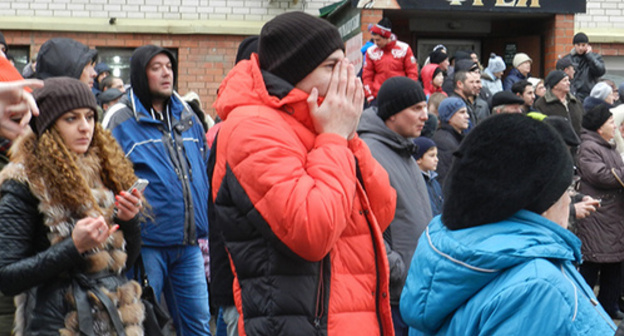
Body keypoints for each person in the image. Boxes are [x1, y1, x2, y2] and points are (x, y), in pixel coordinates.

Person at [211, 11, 396, 335]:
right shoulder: (252, 128)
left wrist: (348, 137)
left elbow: (380, 212)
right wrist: (336, 139)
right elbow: (312, 230)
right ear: (294, 71)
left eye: (345, 63)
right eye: (330, 66)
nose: (346, 76)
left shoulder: (321, 123)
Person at [400, 113, 616, 336]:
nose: (570, 199)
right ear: (543, 202)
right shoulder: (536, 287)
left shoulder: (444, 247)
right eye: (565, 190)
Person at [0, 77, 145, 335]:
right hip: (56, 324)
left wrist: (129, 221)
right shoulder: (24, 180)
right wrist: (73, 247)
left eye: (89, 117)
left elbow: (121, 264)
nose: (84, 127)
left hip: (114, 319)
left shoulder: (106, 172)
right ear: (50, 125)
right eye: (71, 119)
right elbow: (8, 276)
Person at [104, 45, 212, 335]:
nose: (166, 73)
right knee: (143, 324)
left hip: (188, 245)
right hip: (147, 245)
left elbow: (203, 166)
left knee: (199, 325)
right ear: (141, 75)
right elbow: (104, 178)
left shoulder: (187, 116)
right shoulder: (120, 120)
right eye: (156, 67)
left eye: (169, 66)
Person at [357, 76, 432, 336]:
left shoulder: (404, 152)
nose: (425, 116)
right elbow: (362, 226)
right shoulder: (368, 153)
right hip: (392, 296)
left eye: (425, 107)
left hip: (414, 292)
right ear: (392, 115)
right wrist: (395, 269)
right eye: (416, 109)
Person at [576, 104, 624, 319]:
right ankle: (589, 310)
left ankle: (609, 306)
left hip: (613, 216)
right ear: (599, 127)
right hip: (598, 216)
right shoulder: (588, 147)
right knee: (592, 263)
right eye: (611, 122)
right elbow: (601, 175)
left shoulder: (608, 146)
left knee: (615, 265)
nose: (615, 126)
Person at [362, 17, 419, 104]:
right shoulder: (371, 51)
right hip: (378, 98)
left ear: (386, 37)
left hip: (400, 97)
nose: (375, 43)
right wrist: (370, 96)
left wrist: (408, 94)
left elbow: (412, 73)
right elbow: (367, 76)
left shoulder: (404, 48)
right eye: (373, 40)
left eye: (378, 40)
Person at [431, 97, 469, 186]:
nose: (467, 116)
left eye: (466, 112)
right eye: (462, 112)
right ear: (449, 117)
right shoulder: (443, 142)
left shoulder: (456, 138)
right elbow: (444, 178)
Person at [534, 70, 584, 135]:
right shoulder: (541, 104)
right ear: (555, 85)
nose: (568, 83)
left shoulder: (576, 102)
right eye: (564, 80)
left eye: (568, 80)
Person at [560, 32, 606, 103]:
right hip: (572, 95)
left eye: (583, 45)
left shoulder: (595, 57)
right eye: (578, 45)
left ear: (587, 45)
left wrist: (589, 56)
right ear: (574, 45)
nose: (580, 48)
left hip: (589, 94)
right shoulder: (567, 59)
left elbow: (600, 71)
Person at [412, 136, 443, 217]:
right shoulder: (414, 182)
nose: (436, 159)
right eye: (432, 156)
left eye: (436, 155)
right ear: (418, 159)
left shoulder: (434, 181)